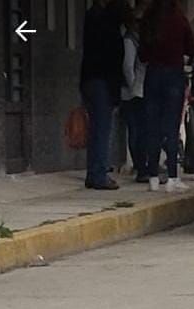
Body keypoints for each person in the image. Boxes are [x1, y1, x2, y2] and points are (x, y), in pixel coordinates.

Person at [140, 0, 194, 193]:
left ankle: (153, 177)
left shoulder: (149, 18)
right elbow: (191, 49)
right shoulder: (179, 19)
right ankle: (172, 176)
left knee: (152, 127)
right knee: (171, 127)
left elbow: (142, 54)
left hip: (153, 75)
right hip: (173, 76)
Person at [80, 0, 129, 190]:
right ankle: (99, 174)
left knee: (96, 130)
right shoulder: (109, 25)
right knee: (102, 130)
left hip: (90, 80)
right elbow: (113, 60)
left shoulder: (92, 16)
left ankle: (94, 172)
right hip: (103, 83)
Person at [121, 0, 150, 183]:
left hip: (140, 91)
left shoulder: (140, 40)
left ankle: (142, 164)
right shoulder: (129, 41)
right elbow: (127, 67)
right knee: (136, 131)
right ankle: (140, 166)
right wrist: (133, 87)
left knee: (140, 131)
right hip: (133, 93)